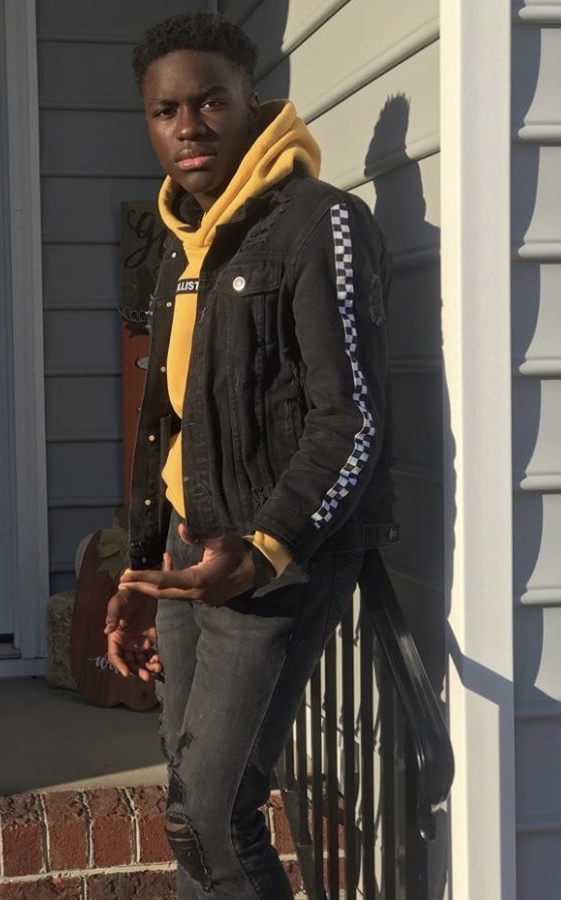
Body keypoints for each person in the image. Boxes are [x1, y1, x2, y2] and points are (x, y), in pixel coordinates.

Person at [104, 12, 397, 899]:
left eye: (209, 102)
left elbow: (350, 419)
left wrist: (264, 546)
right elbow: (168, 420)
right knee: (189, 810)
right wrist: (142, 560)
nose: (188, 126)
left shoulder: (320, 224)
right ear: (148, 120)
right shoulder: (177, 245)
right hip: (194, 555)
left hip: (268, 561)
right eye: (165, 110)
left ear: (250, 102)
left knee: (216, 817)